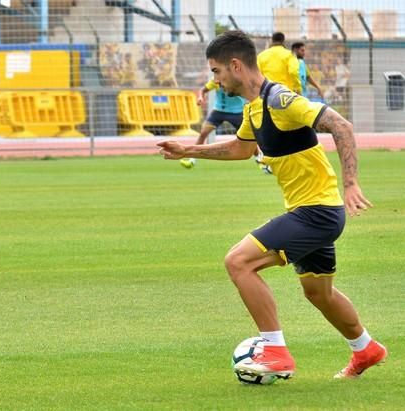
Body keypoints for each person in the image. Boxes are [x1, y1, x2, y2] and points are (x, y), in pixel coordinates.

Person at [158, 30, 387, 382]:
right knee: (318, 293)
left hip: (317, 212)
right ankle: (366, 349)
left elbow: (341, 125)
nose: (214, 80)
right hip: (314, 212)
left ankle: (276, 351)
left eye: (217, 71)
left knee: (238, 261)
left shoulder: (280, 100)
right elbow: (240, 148)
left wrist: (352, 183)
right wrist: (188, 150)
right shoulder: (254, 109)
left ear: (236, 65)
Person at [180, 77, 266, 170]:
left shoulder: (236, 81)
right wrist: (201, 97)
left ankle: (259, 159)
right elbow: (203, 90)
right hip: (218, 111)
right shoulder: (215, 82)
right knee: (203, 133)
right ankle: (192, 159)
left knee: (248, 139)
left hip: (236, 112)